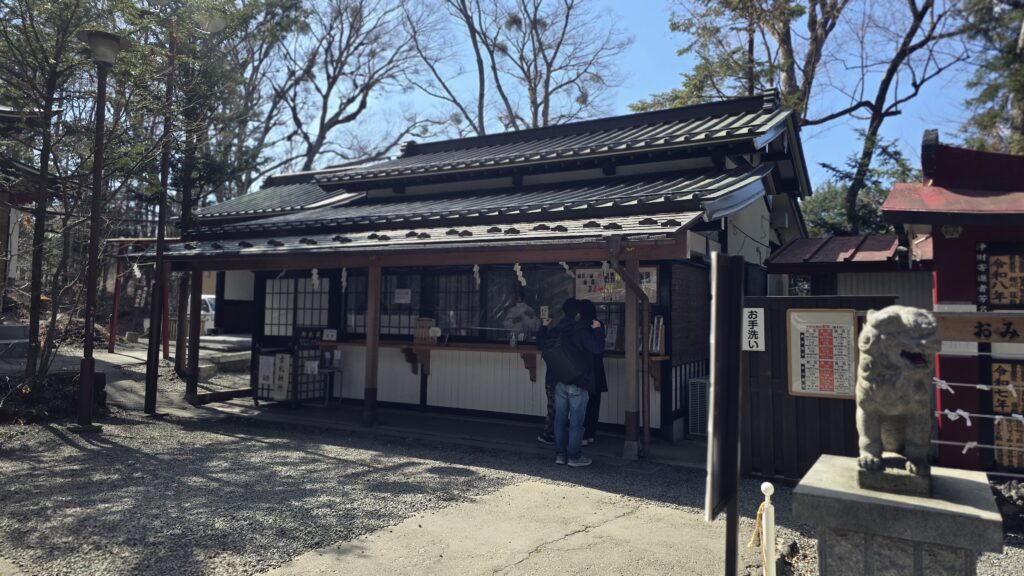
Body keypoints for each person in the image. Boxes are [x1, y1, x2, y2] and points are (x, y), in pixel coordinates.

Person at [536, 298, 606, 467]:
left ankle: (560, 455)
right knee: (576, 423)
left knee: (560, 420)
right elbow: (597, 348)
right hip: (578, 381)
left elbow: (541, 343)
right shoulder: (582, 330)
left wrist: (544, 326)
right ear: (578, 315)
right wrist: (598, 330)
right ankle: (574, 457)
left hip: (560, 380)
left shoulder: (558, 328)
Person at [577, 299, 607, 446]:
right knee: (594, 403)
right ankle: (591, 434)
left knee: (582, 404)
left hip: (583, 369)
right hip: (597, 368)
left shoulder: (578, 326)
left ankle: (583, 434)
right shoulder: (598, 324)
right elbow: (600, 347)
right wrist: (599, 329)